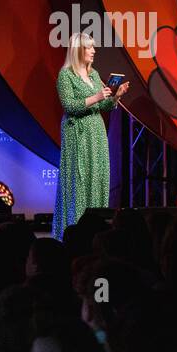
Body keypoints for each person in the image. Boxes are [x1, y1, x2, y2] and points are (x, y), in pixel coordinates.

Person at [52, 32, 128, 239]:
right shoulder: (66, 75)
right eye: (89, 48)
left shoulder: (93, 74)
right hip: (78, 132)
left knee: (97, 177)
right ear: (78, 51)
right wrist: (96, 96)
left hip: (96, 131)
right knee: (80, 179)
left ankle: (96, 232)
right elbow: (70, 106)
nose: (94, 51)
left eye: (93, 47)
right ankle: (74, 233)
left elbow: (102, 105)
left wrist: (115, 97)